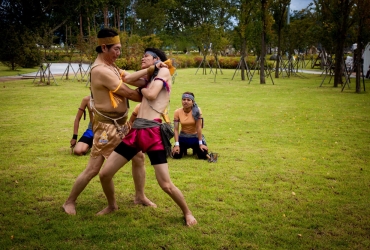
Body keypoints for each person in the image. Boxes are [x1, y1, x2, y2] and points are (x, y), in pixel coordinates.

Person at [97, 48, 197, 226]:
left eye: (146, 57)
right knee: (105, 174)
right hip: (135, 132)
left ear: (157, 59)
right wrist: (150, 70)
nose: (142, 58)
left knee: (165, 184)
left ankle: (187, 213)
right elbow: (126, 79)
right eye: (142, 56)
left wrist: (142, 87)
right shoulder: (151, 76)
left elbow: (150, 94)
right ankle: (112, 205)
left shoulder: (164, 71)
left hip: (152, 133)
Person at [62, 28, 158, 215]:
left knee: (138, 157)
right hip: (106, 127)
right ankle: (70, 202)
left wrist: (155, 79)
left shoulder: (111, 66)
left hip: (122, 124)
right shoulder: (100, 71)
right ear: (104, 47)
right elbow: (130, 93)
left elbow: (131, 79)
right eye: (116, 49)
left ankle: (139, 196)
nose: (119, 53)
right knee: (93, 169)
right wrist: (153, 91)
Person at [172, 92, 209, 160]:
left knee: (203, 155)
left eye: (188, 100)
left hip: (195, 137)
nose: (186, 101)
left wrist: (201, 143)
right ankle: (183, 150)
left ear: (193, 102)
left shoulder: (197, 111)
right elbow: (176, 129)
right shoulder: (177, 112)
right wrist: (177, 145)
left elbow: (198, 127)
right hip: (183, 137)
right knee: (176, 155)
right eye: (184, 99)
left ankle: (196, 149)